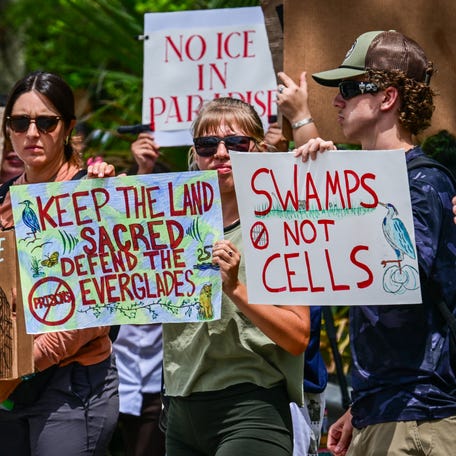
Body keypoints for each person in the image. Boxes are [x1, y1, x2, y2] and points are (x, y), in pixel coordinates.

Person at [295, 30, 456, 456]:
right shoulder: (388, 184)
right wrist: (361, 405)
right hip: (383, 410)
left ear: (387, 98)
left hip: (422, 414)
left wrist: (332, 189)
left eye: (349, 88)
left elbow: (394, 285)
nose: (336, 101)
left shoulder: (423, 182)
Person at [162, 96, 310, 456]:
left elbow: (298, 336)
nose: (222, 153)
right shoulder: (171, 228)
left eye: (237, 143)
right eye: (207, 144)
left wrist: (236, 289)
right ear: (195, 154)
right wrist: (98, 185)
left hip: (250, 410)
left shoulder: (277, 225)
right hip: (180, 409)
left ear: (258, 149)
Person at [0, 70, 119, 456]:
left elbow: (97, 306)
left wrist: (20, 364)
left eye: (46, 122)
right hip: (8, 386)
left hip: (71, 384)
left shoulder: (95, 194)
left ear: (67, 127)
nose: (32, 133)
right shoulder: (1, 200)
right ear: (8, 130)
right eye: (20, 122)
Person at [110, 133, 166, 456]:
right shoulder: (108, 251)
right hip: (112, 379)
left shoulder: (175, 254)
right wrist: (141, 172)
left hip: (157, 383)